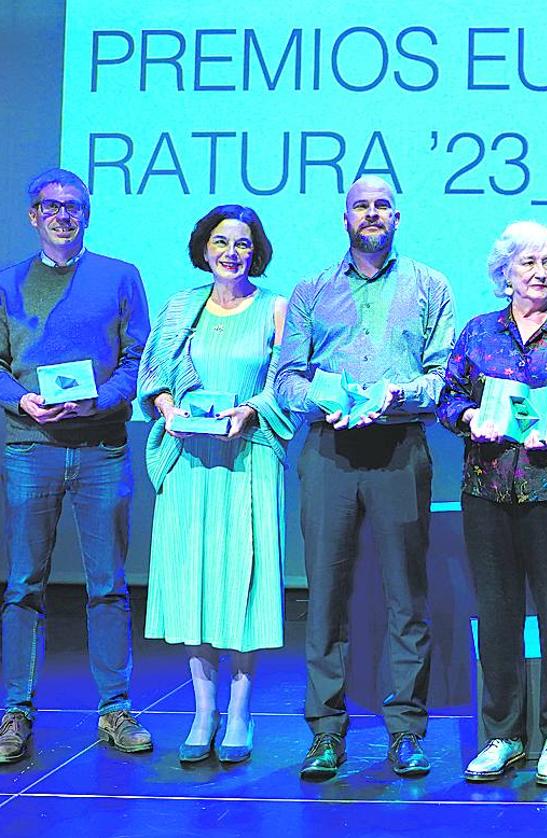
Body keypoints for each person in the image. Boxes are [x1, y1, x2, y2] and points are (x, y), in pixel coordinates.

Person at [275, 175, 455, 779]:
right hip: (329, 449)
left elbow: (442, 377)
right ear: (344, 217)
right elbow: (286, 378)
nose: (371, 214)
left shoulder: (430, 286)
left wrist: (396, 393)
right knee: (325, 595)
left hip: (400, 445)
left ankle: (406, 730)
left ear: (397, 217)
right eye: (361, 206)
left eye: (382, 205)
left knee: (408, 594)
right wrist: (326, 401)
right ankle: (326, 733)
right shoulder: (310, 290)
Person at [437, 221, 547, 785]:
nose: (541, 273)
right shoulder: (478, 333)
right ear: (505, 273)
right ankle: (503, 734)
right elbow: (449, 400)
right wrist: (472, 419)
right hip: (488, 492)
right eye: (529, 263)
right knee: (497, 619)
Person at [0, 168, 152, 764]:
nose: (63, 215)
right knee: (22, 586)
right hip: (28, 447)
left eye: (75, 206)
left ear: (88, 214)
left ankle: (115, 709)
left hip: (101, 448)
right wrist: (20, 400)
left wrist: (102, 400)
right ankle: (14, 712)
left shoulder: (119, 276)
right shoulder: (8, 282)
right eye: (51, 206)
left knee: (108, 585)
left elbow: (138, 359)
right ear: (33, 215)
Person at [138, 205, 292, 764]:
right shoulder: (181, 307)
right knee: (195, 585)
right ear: (204, 249)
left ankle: (239, 712)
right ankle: (202, 712)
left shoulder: (276, 308)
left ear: (257, 252)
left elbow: (286, 384)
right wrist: (166, 405)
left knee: (242, 584)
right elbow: (154, 374)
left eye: (243, 244)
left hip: (248, 460)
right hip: (190, 462)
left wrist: (252, 410)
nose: (232, 253)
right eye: (222, 242)